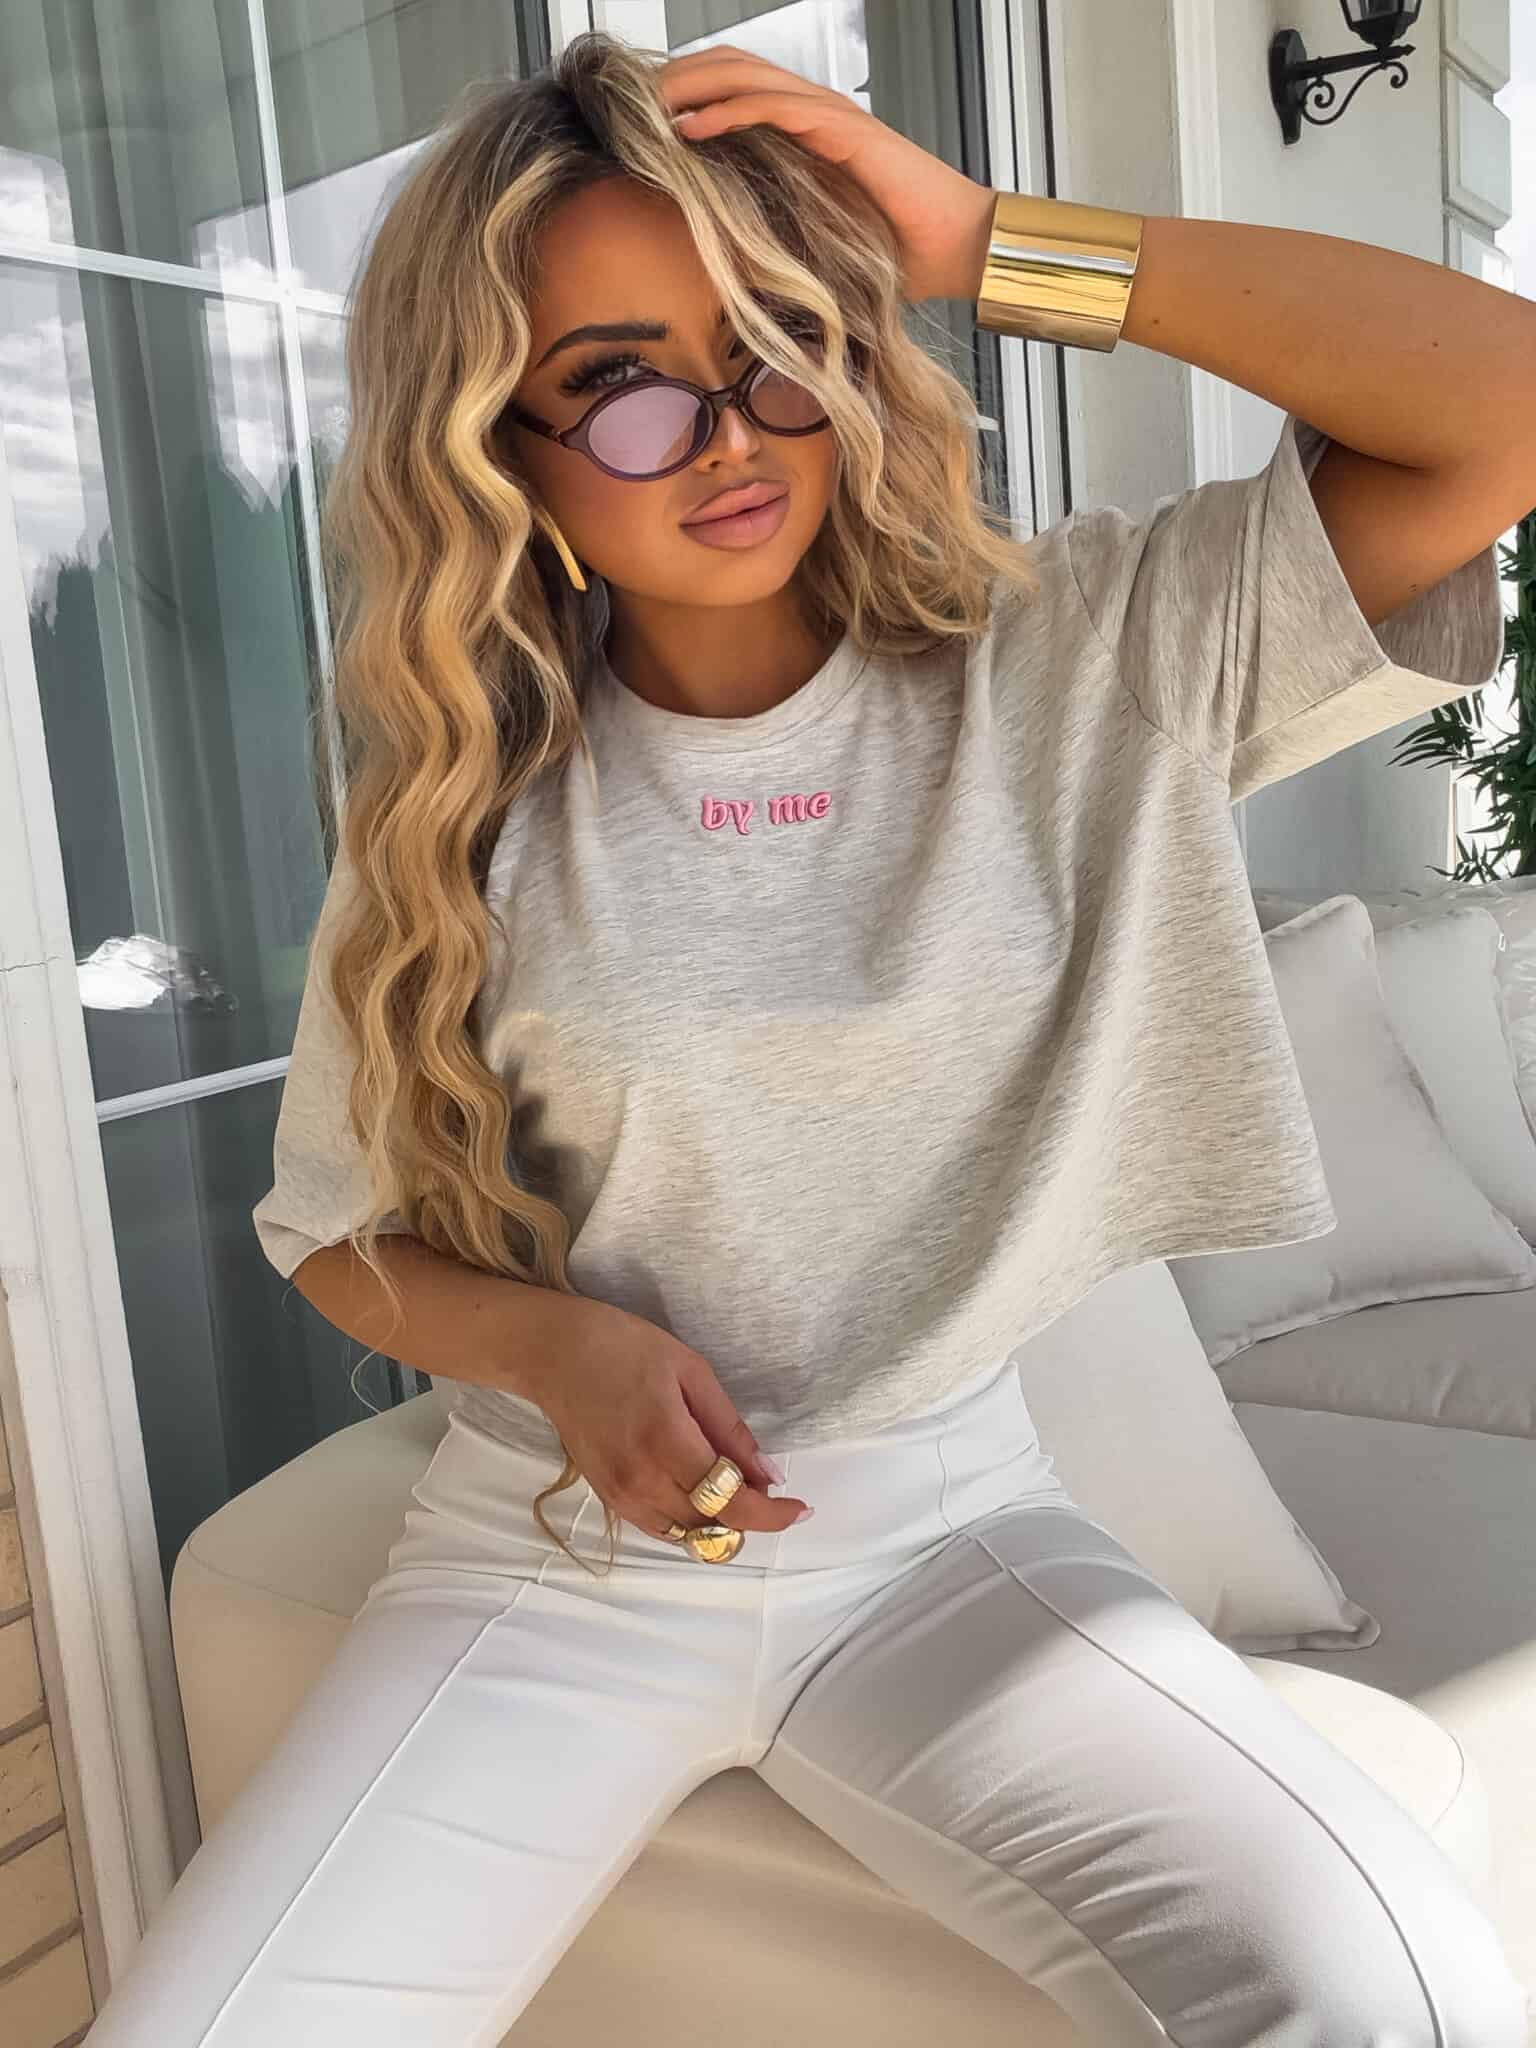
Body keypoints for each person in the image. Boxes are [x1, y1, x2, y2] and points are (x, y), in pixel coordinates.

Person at [87, 29, 1529, 2047]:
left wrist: (988, 238)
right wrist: (554, 1348)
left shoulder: (1084, 662)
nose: (732, 431)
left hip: (950, 1536)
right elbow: (334, 1231)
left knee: (1398, 1992)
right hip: (552, 1561)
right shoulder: (464, 807)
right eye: (625, 386)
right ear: (504, 446)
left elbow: (1497, 408)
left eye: (776, 339)